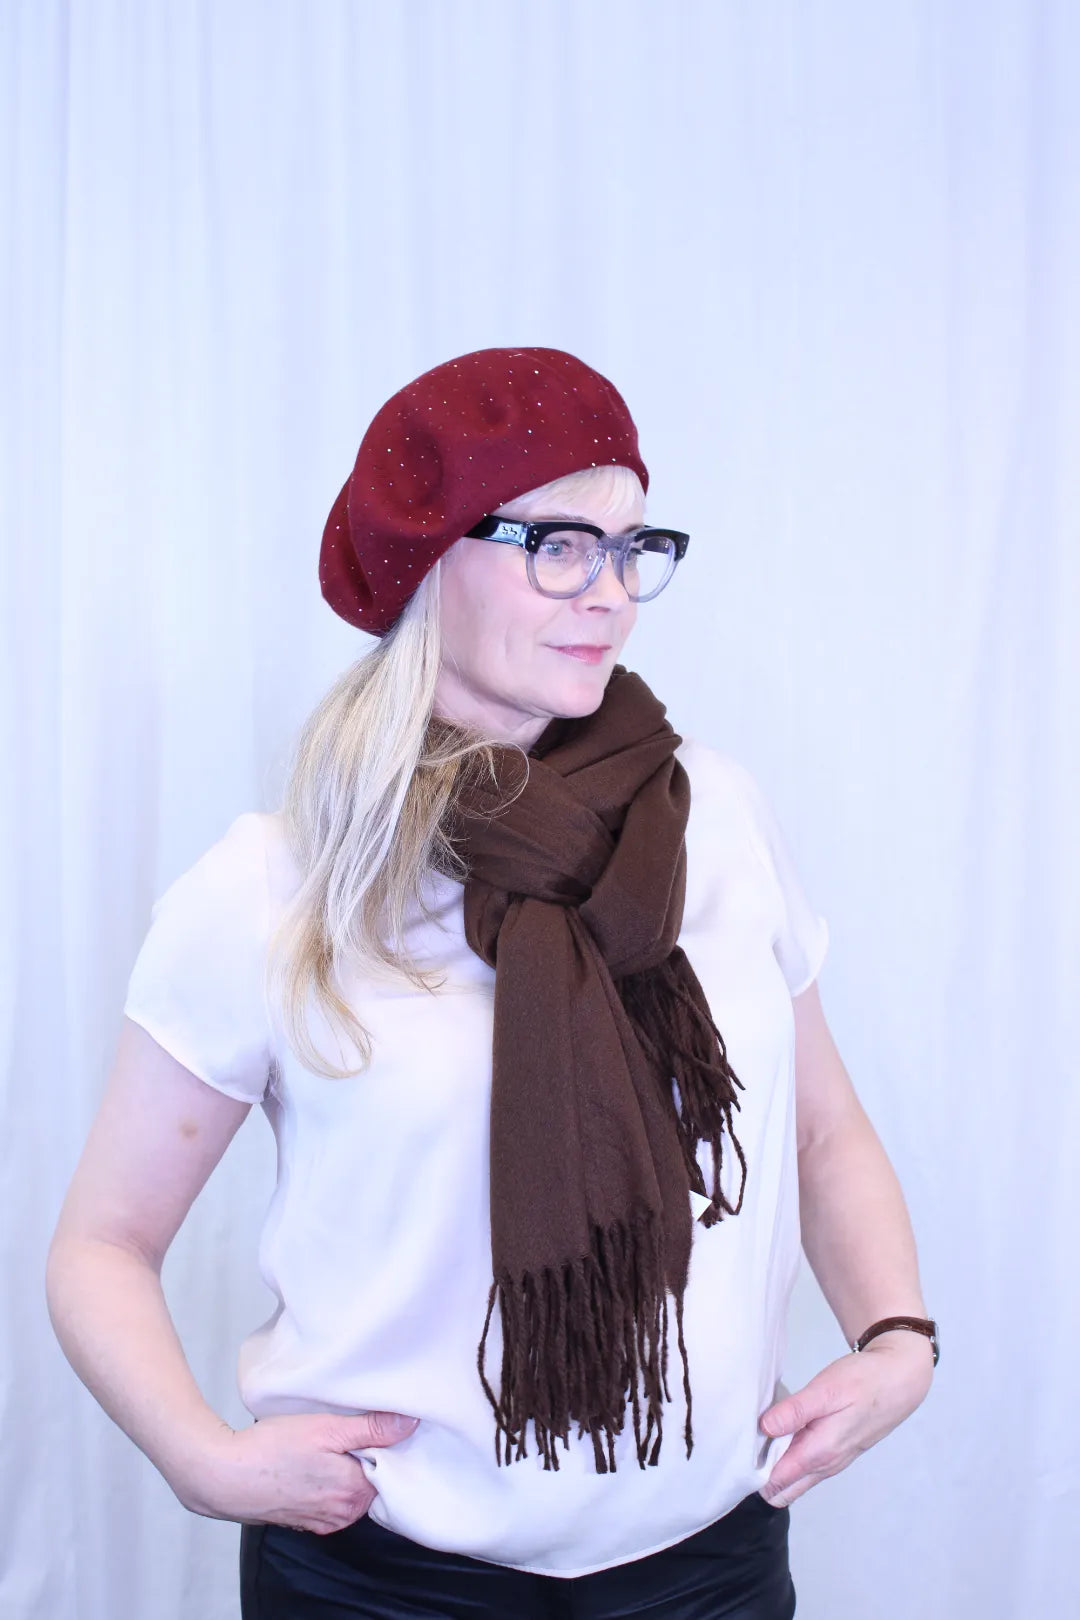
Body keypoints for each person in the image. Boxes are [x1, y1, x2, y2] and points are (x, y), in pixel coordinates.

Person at [46, 347, 937, 1619]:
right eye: (559, 546)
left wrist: (898, 1337)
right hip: (386, 1581)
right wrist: (201, 1460)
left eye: (630, 549)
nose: (610, 595)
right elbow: (103, 1244)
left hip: (709, 1567)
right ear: (428, 557)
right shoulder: (280, 887)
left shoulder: (716, 817)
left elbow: (821, 1128)